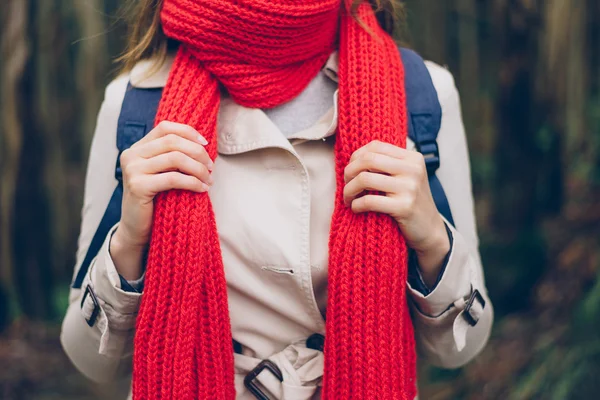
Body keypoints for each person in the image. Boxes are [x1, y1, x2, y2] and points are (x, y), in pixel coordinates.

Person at [61, 0, 493, 398]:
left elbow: (461, 349)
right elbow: (88, 359)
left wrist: (434, 241)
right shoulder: (134, 103)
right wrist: (128, 243)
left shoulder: (423, 93)